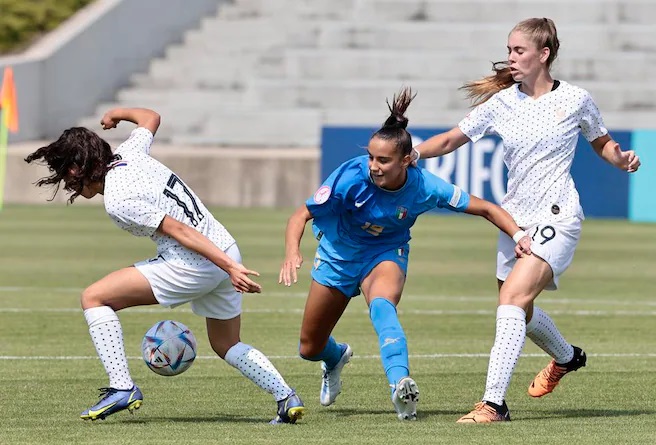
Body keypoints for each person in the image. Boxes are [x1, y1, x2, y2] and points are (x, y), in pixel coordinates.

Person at [414, 17, 641, 423]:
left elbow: (601, 141)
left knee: (512, 300)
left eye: (519, 51)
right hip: (514, 219)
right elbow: (450, 140)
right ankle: (568, 358)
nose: (511, 58)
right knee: (522, 307)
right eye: (509, 50)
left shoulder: (575, 99)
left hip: (559, 214)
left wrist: (620, 160)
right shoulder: (501, 103)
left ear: (544, 54)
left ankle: (494, 404)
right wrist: (413, 155)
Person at [24, 107, 305, 425]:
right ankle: (286, 397)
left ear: (78, 169)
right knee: (226, 343)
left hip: (194, 264)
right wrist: (118, 113)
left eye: (65, 174)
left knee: (94, 297)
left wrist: (228, 267)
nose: (66, 184)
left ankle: (122, 387)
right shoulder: (129, 152)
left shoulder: (119, 198)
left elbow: (180, 231)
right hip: (224, 246)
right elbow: (151, 118)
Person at [279, 87, 533, 421]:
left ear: (406, 160)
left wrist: (517, 234)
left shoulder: (425, 186)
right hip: (338, 255)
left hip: (385, 252)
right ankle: (335, 357)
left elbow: (485, 207)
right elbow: (301, 214)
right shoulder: (349, 177)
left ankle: (400, 385)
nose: (373, 165)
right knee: (309, 348)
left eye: (382, 160)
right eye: (371, 157)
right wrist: (291, 253)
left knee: (383, 307)